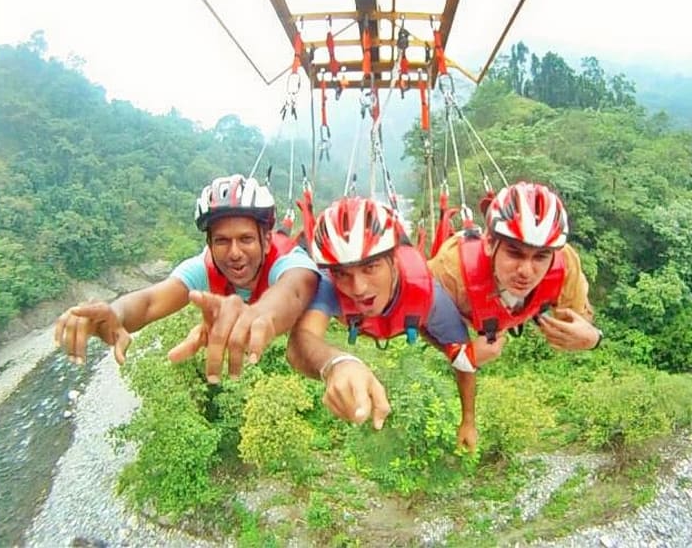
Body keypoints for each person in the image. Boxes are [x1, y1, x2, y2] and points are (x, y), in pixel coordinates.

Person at [53, 174, 320, 382]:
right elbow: (149, 301)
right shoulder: (203, 268)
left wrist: (257, 315)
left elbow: (294, 291)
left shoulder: (289, 262)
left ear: (266, 241)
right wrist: (114, 313)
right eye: (222, 241)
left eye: (246, 239)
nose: (235, 253)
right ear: (209, 244)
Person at [427, 181, 603, 452]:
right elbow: (422, 324)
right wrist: (461, 355)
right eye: (514, 253)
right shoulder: (450, 271)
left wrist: (593, 338)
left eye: (540, 257)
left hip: (515, 309)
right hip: (470, 303)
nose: (526, 271)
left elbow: (582, 319)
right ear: (489, 243)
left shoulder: (564, 264)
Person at [285, 195, 479, 432]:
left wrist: (468, 420)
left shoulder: (428, 295)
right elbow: (301, 340)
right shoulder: (328, 284)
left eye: (370, 268)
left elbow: (463, 359)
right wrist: (336, 363)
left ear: (394, 260)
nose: (358, 288)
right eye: (342, 274)